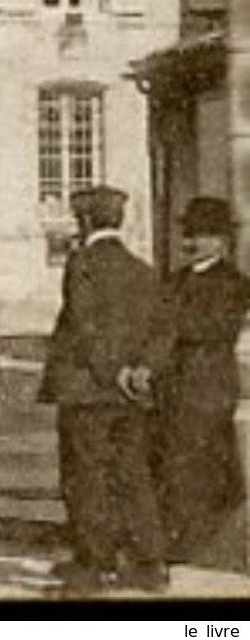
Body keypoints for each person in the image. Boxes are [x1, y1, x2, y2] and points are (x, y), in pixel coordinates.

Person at [38, 184, 169, 595]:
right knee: (133, 476)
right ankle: (150, 565)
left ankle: (93, 567)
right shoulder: (143, 269)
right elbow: (163, 329)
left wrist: (113, 372)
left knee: (85, 477)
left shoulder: (82, 265)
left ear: (86, 220)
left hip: (88, 390)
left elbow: (85, 325)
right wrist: (141, 371)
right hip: (132, 395)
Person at [155, 196, 250, 565]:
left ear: (220, 241)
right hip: (175, 386)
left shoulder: (235, 283)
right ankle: (178, 538)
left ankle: (198, 541)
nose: (189, 242)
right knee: (174, 464)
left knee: (202, 466)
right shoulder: (175, 279)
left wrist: (168, 328)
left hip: (208, 385)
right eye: (187, 234)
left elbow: (213, 328)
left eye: (200, 234)